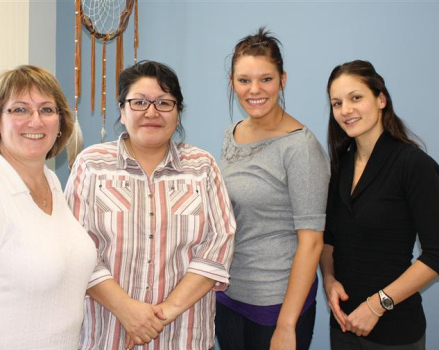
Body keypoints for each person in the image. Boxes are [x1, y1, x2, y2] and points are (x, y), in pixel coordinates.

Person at [65, 60, 235, 350]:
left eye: (164, 103)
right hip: (107, 335)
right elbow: (76, 249)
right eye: (139, 102)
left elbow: (218, 247)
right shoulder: (91, 165)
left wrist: (160, 314)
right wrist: (127, 311)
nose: (151, 112)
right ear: (121, 110)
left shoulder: (202, 167)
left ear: (178, 113)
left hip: (184, 337)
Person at [0, 65, 96, 349]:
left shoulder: (52, 183)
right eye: (20, 110)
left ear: (60, 124)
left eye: (47, 110)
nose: (35, 121)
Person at [215, 27, 330, 350]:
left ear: (283, 79)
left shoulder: (300, 147)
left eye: (265, 79)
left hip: (275, 305)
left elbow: (312, 242)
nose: (255, 90)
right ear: (232, 83)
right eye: (244, 80)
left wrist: (287, 324)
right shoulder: (232, 133)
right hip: (229, 295)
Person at [320, 59, 439, 349]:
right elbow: (329, 240)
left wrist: (377, 305)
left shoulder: (413, 165)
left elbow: (436, 255)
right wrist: (329, 280)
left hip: (395, 334)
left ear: (381, 99)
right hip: (343, 326)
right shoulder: (341, 165)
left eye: (356, 97)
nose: (345, 110)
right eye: (337, 103)